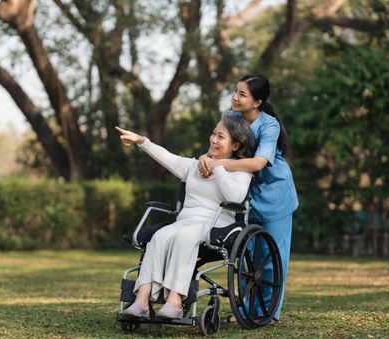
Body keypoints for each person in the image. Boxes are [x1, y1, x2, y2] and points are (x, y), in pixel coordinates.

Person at [116, 114, 255, 319]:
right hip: (186, 220)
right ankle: (142, 301)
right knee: (160, 236)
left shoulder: (241, 170)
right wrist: (142, 141)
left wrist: (218, 167)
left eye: (221, 137)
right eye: (213, 134)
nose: (214, 140)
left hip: (218, 223)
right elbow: (167, 157)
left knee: (186, 237)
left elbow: (235, 196)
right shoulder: (193, 167)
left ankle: (175, 301)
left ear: (235, 145)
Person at [198, 74, 299, 322]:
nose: (235, 97)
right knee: (248, 256)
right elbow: (219, 145)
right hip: (247, 197)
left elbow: (258, 163)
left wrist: (218, 164)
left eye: (242, 94)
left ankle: (267, 313)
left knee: (271, 259)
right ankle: (245, 310)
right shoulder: (230, 117)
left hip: (275, 195)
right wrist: (205, 157)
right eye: (235, 91)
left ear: (257, 102)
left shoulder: (269, 125)